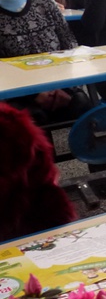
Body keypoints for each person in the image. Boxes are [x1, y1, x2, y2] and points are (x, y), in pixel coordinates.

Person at [0, 0, 91, 125]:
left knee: (83, 104)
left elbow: (70, 46)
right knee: (29, 119)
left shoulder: (44, 3)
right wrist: (34, 93)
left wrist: (63, 87)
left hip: (63, 85)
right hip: (17, 93)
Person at [0, 102, 75, 243]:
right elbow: (46, 173)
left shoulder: (9, 123)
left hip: (30, 220)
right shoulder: (11, 121)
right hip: (35, 223)